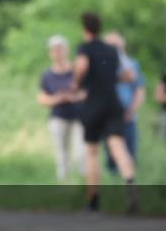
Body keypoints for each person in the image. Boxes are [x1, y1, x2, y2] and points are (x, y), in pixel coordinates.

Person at [69, 12, 138, 214]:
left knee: (92, 152)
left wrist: (77, 83)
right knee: (118, 146)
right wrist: (109, 80)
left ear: (85, 29)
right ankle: (130, 184)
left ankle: (93, 201)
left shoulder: (85, 48)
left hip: (94, 103)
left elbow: (82, 66)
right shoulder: (112, 49)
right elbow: (127, 75)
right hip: (114, 103)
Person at [37, 35, 85, 182]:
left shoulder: (77, 71)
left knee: (80, 153)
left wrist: (73, 97)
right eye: (54, 50)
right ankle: (64, 183)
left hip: (78, 117)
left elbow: (86, 92)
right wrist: (57, 99)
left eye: (60, 49)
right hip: (58, 117)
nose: (57, 53)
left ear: (66, 50)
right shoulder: (47, 75)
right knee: (61, 153)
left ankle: (83, 183)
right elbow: (42, 98)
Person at [103, 32, 145, 173]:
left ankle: (130, 184)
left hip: (128, 115)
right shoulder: (102, 65)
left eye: (116, 44)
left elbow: (139, 90)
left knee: (130, 151)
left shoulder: (132, 64)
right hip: (108, 116)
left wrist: (131, 110)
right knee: (112, 155)